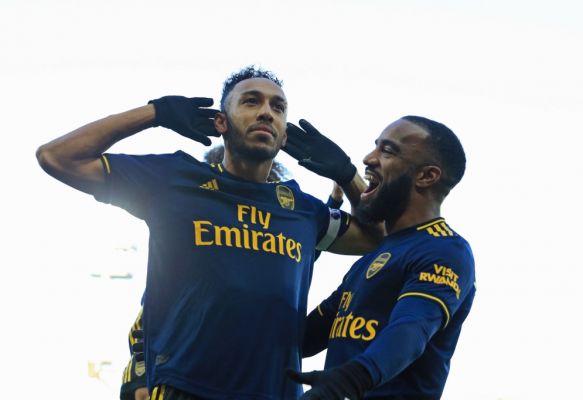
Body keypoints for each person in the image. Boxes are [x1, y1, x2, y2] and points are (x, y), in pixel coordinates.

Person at [36, 66, 381, 400]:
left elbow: (376, 238)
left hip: (277, 392)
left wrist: (348, 174)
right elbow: (58, 156)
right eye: (251, 102)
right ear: (220, 122)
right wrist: (154, 113)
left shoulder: (304, 210)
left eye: (278, 107)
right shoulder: (173, 179)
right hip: (185, 389)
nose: (266, 113)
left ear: (285, 135)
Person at [284, 116, 476, 400]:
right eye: (376, 147)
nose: (369, 158)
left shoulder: (446, 250)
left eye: (387, 151)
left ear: (426, 176)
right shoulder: (375, 256)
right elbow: (304, 338)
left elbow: (412, 328)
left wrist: (351, 379)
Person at [118, 145, 290, 400]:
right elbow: (151, 318)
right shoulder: (195, 234)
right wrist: (141, 376)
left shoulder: (277, 244)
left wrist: (336, 199)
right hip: (181, 380)